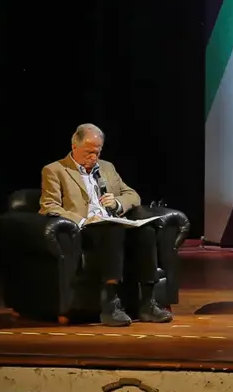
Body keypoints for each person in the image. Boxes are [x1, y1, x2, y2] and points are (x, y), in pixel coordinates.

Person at [39, 123, 176, 326]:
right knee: (112, 231)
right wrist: (83, 220)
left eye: (97, 152)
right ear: (74, 147)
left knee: (145, 231)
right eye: (88, 152)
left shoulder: (107, 168)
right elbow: (48, 206)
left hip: (112, 222)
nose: (93, 157)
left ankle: (148, 303)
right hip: (84, 229)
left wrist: (118, 203)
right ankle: (110, 305)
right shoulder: (55, 170)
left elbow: (133, 195)